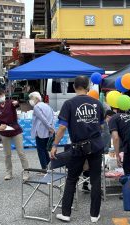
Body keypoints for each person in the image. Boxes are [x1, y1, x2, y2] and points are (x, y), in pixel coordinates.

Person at [50, 76, 104, 223]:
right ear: (88, 87)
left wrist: (54, 145)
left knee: (72, 179)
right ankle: (94, 215)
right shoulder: (97, 104)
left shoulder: (69, 104)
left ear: (74, 87)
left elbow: (62, 127)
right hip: (96, 146)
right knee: (96, 179)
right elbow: (101, 125)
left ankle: (66, 214)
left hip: (78, 147)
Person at [0, 88, 29, 181]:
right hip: (4, 133)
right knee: (7, 154)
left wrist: (17, 103)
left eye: (1, 94)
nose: (1, 97)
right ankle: (9, 172)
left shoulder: (10, 103)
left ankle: (26, 171)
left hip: (16, 130)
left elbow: (17, 104)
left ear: (4, 94)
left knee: (21, 152)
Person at [29, 91, 55, 170]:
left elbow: (42, 119)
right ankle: (49, 167)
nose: (30, 100)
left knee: (41, 151)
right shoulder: (47, 105)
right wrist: (51, 128)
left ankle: (44, 169)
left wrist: (49, 128)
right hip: (47, 131)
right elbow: (52, 117)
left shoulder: (37, 107)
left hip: (41, 131)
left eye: (32, 98)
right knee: (44, 150)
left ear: (37, 98)